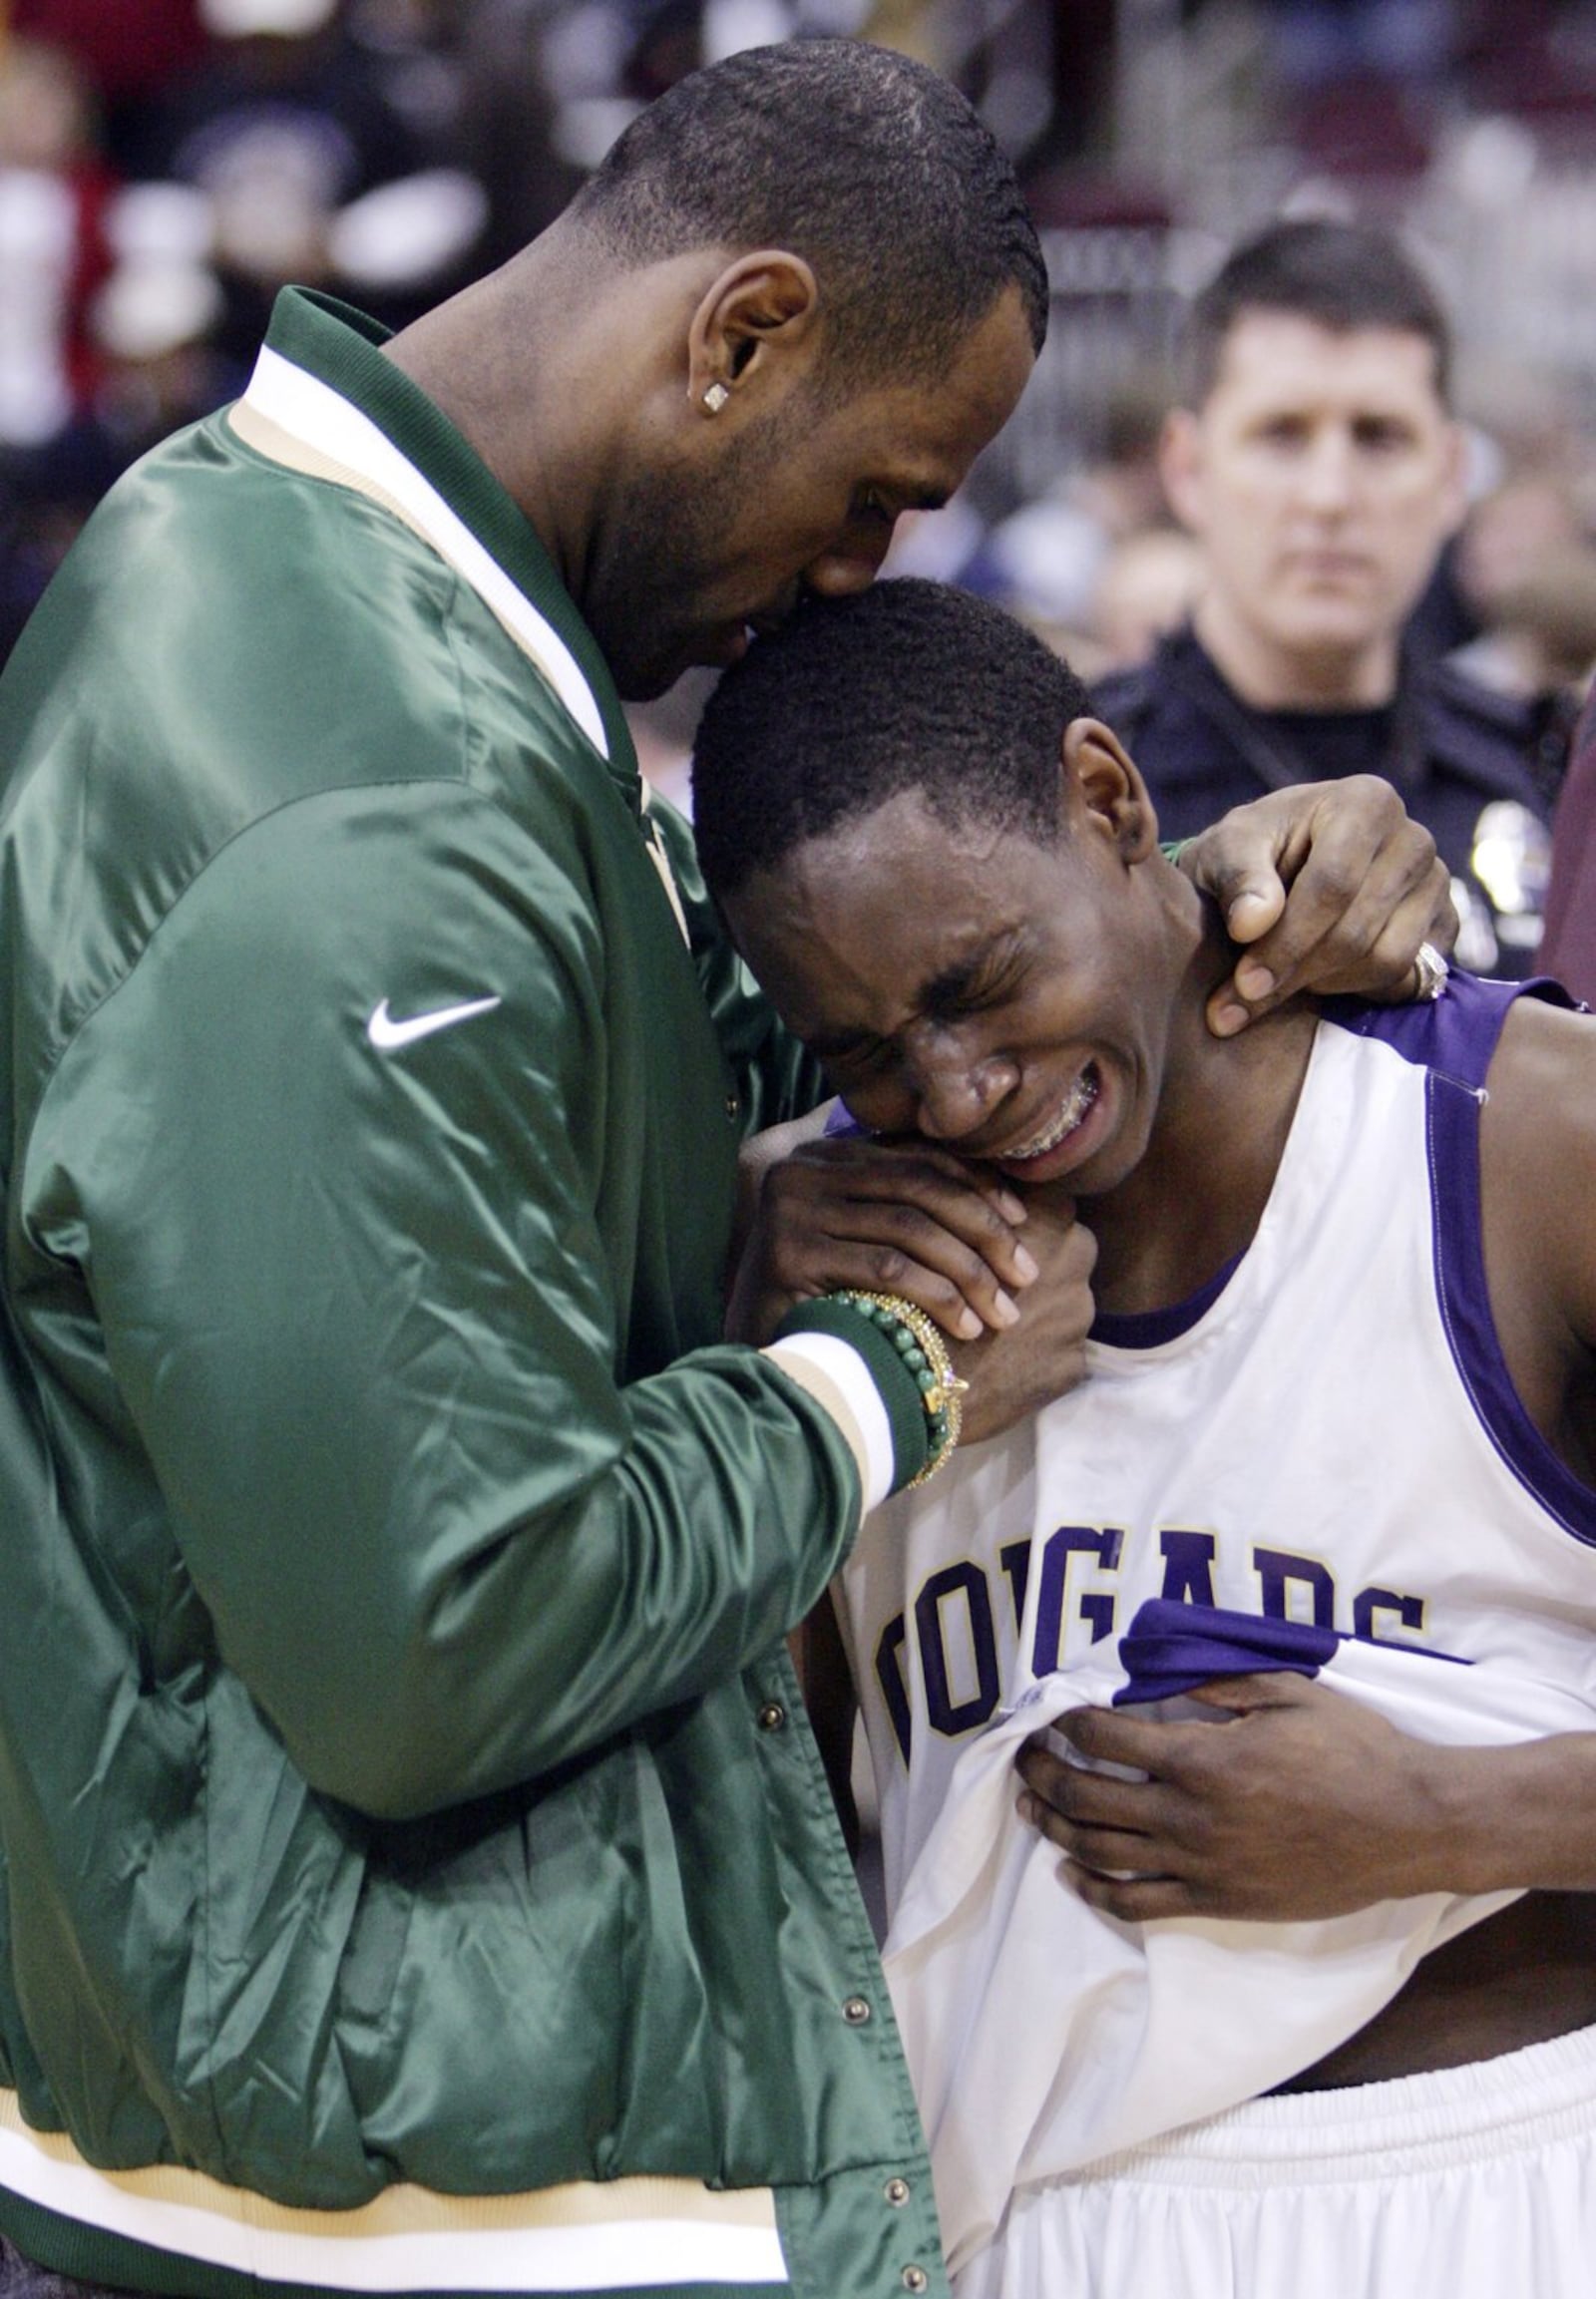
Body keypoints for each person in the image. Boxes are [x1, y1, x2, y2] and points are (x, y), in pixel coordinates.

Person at [0, 37, 1457, 2299]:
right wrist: (888, 1369)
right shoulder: (364, 796)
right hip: (387, 2191)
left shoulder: (305, 575)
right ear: (741, 331)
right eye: (876, 491)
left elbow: (565, 1064)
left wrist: (1160, 915)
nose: (849, 580)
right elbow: (440, 1634)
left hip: (306, 2109)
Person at [689, 574, 1596, 2299]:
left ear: (1110, 803)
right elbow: (762, 1836)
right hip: (1019, 2222)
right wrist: (765, 1343)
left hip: (1505, 2179)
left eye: (978, 982)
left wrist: (1447, 1817)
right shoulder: (828, 1275)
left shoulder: (1523, 1138)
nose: (957, 1091)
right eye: (870, 1049)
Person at [1094, 215, 1563, 977]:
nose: (1329, 495)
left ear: (1450, 476)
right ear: (1186, 469)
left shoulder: (1545, 778)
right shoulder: (1081, 793)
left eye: (1378, 437)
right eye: (1282, 434)